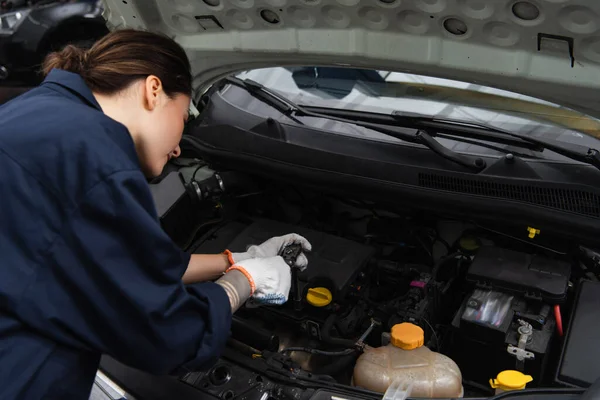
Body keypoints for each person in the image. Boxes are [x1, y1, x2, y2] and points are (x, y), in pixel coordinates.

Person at [0, 29, 311, 399]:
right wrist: (244, 283)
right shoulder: (100, 162)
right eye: (184, 115)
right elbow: (167, 335)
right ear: (153, 90)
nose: (180, 147)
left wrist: (237, 259)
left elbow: (120, 266)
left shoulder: (36, 112)